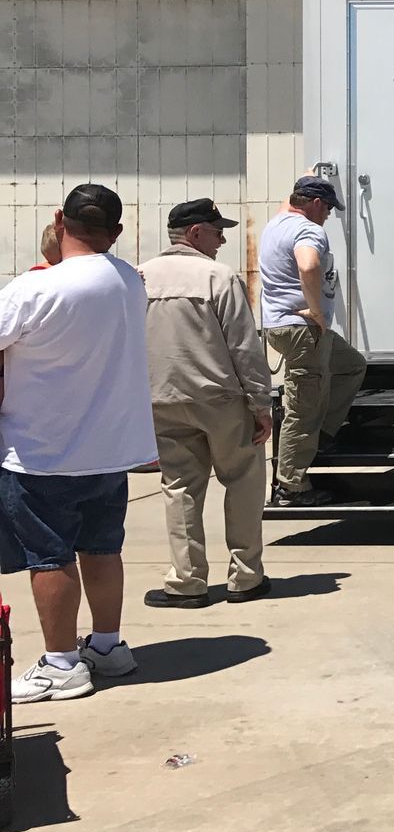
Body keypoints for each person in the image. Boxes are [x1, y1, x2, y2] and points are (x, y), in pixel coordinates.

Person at [0, 184, 156, 703]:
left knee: (50, 558)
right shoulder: (131, 281)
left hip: (44, 451)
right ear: (115, 232)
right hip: (110, 449)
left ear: (58, 220)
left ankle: (61, 663)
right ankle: (108, 647)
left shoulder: (34, 288)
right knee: (102, 549)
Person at [139, 199, 275, 607]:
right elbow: (244, 346)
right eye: (217, 231)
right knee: (244, 481)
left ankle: (187, 582)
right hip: (219, 400)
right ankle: (246, 576)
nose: (223, 239)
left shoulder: (139, 277)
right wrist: (261, 403)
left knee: (179, 486)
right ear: (195, 233)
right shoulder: (218, 276)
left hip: (161, 399)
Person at [259, 175, 365, 507]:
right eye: (329, 209)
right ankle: (291, 487)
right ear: (316, 204)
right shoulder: (308, 230)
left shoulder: (275, 224)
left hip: (282, 327)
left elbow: (292, 201)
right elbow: (309, 264)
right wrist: (317, 310)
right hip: (303, 330)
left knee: (350, 366)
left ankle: (322, 437)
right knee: (304, 407)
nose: (329, 216)